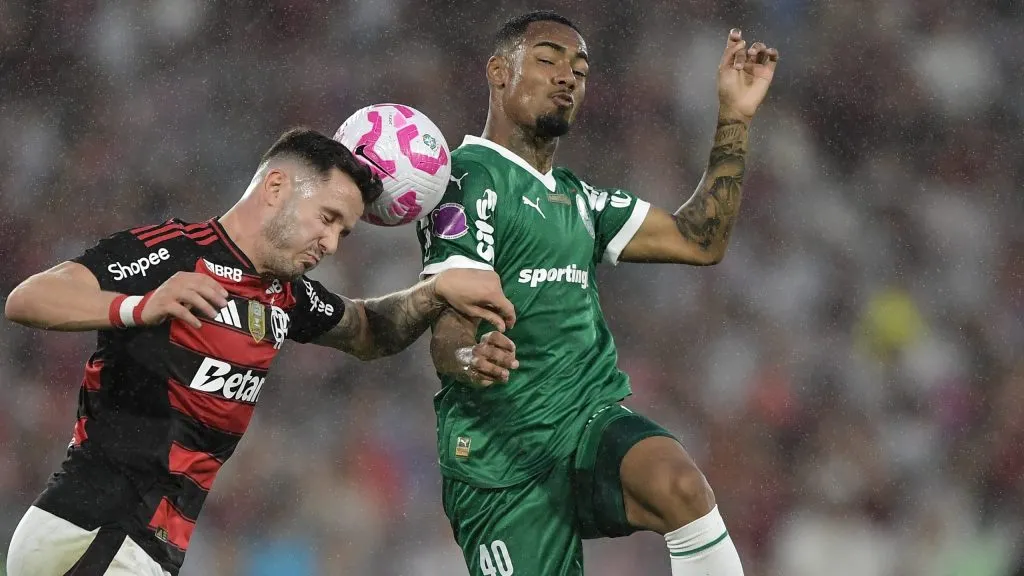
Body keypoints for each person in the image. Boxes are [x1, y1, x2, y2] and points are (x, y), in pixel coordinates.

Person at [3, 127, 517, 576]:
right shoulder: (175, 250)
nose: (332, 243)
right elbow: (28, 298)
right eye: (327, 217)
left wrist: (435, 292)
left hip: (142, 544)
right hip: (95, 528)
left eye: (343, 230)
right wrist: (141, 306)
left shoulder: (284, 294)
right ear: (276, 187)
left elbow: (368, 331)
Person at [416, 11, 778, 575]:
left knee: (679, 484)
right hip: (500, 458)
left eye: (579, 69)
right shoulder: (466, 181)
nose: (566, 77)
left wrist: (733, 116)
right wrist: (470, 355)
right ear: (498, 72)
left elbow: (701, 240)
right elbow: (448, 331)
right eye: (547, 60)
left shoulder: (579, 198)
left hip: (585, 423)